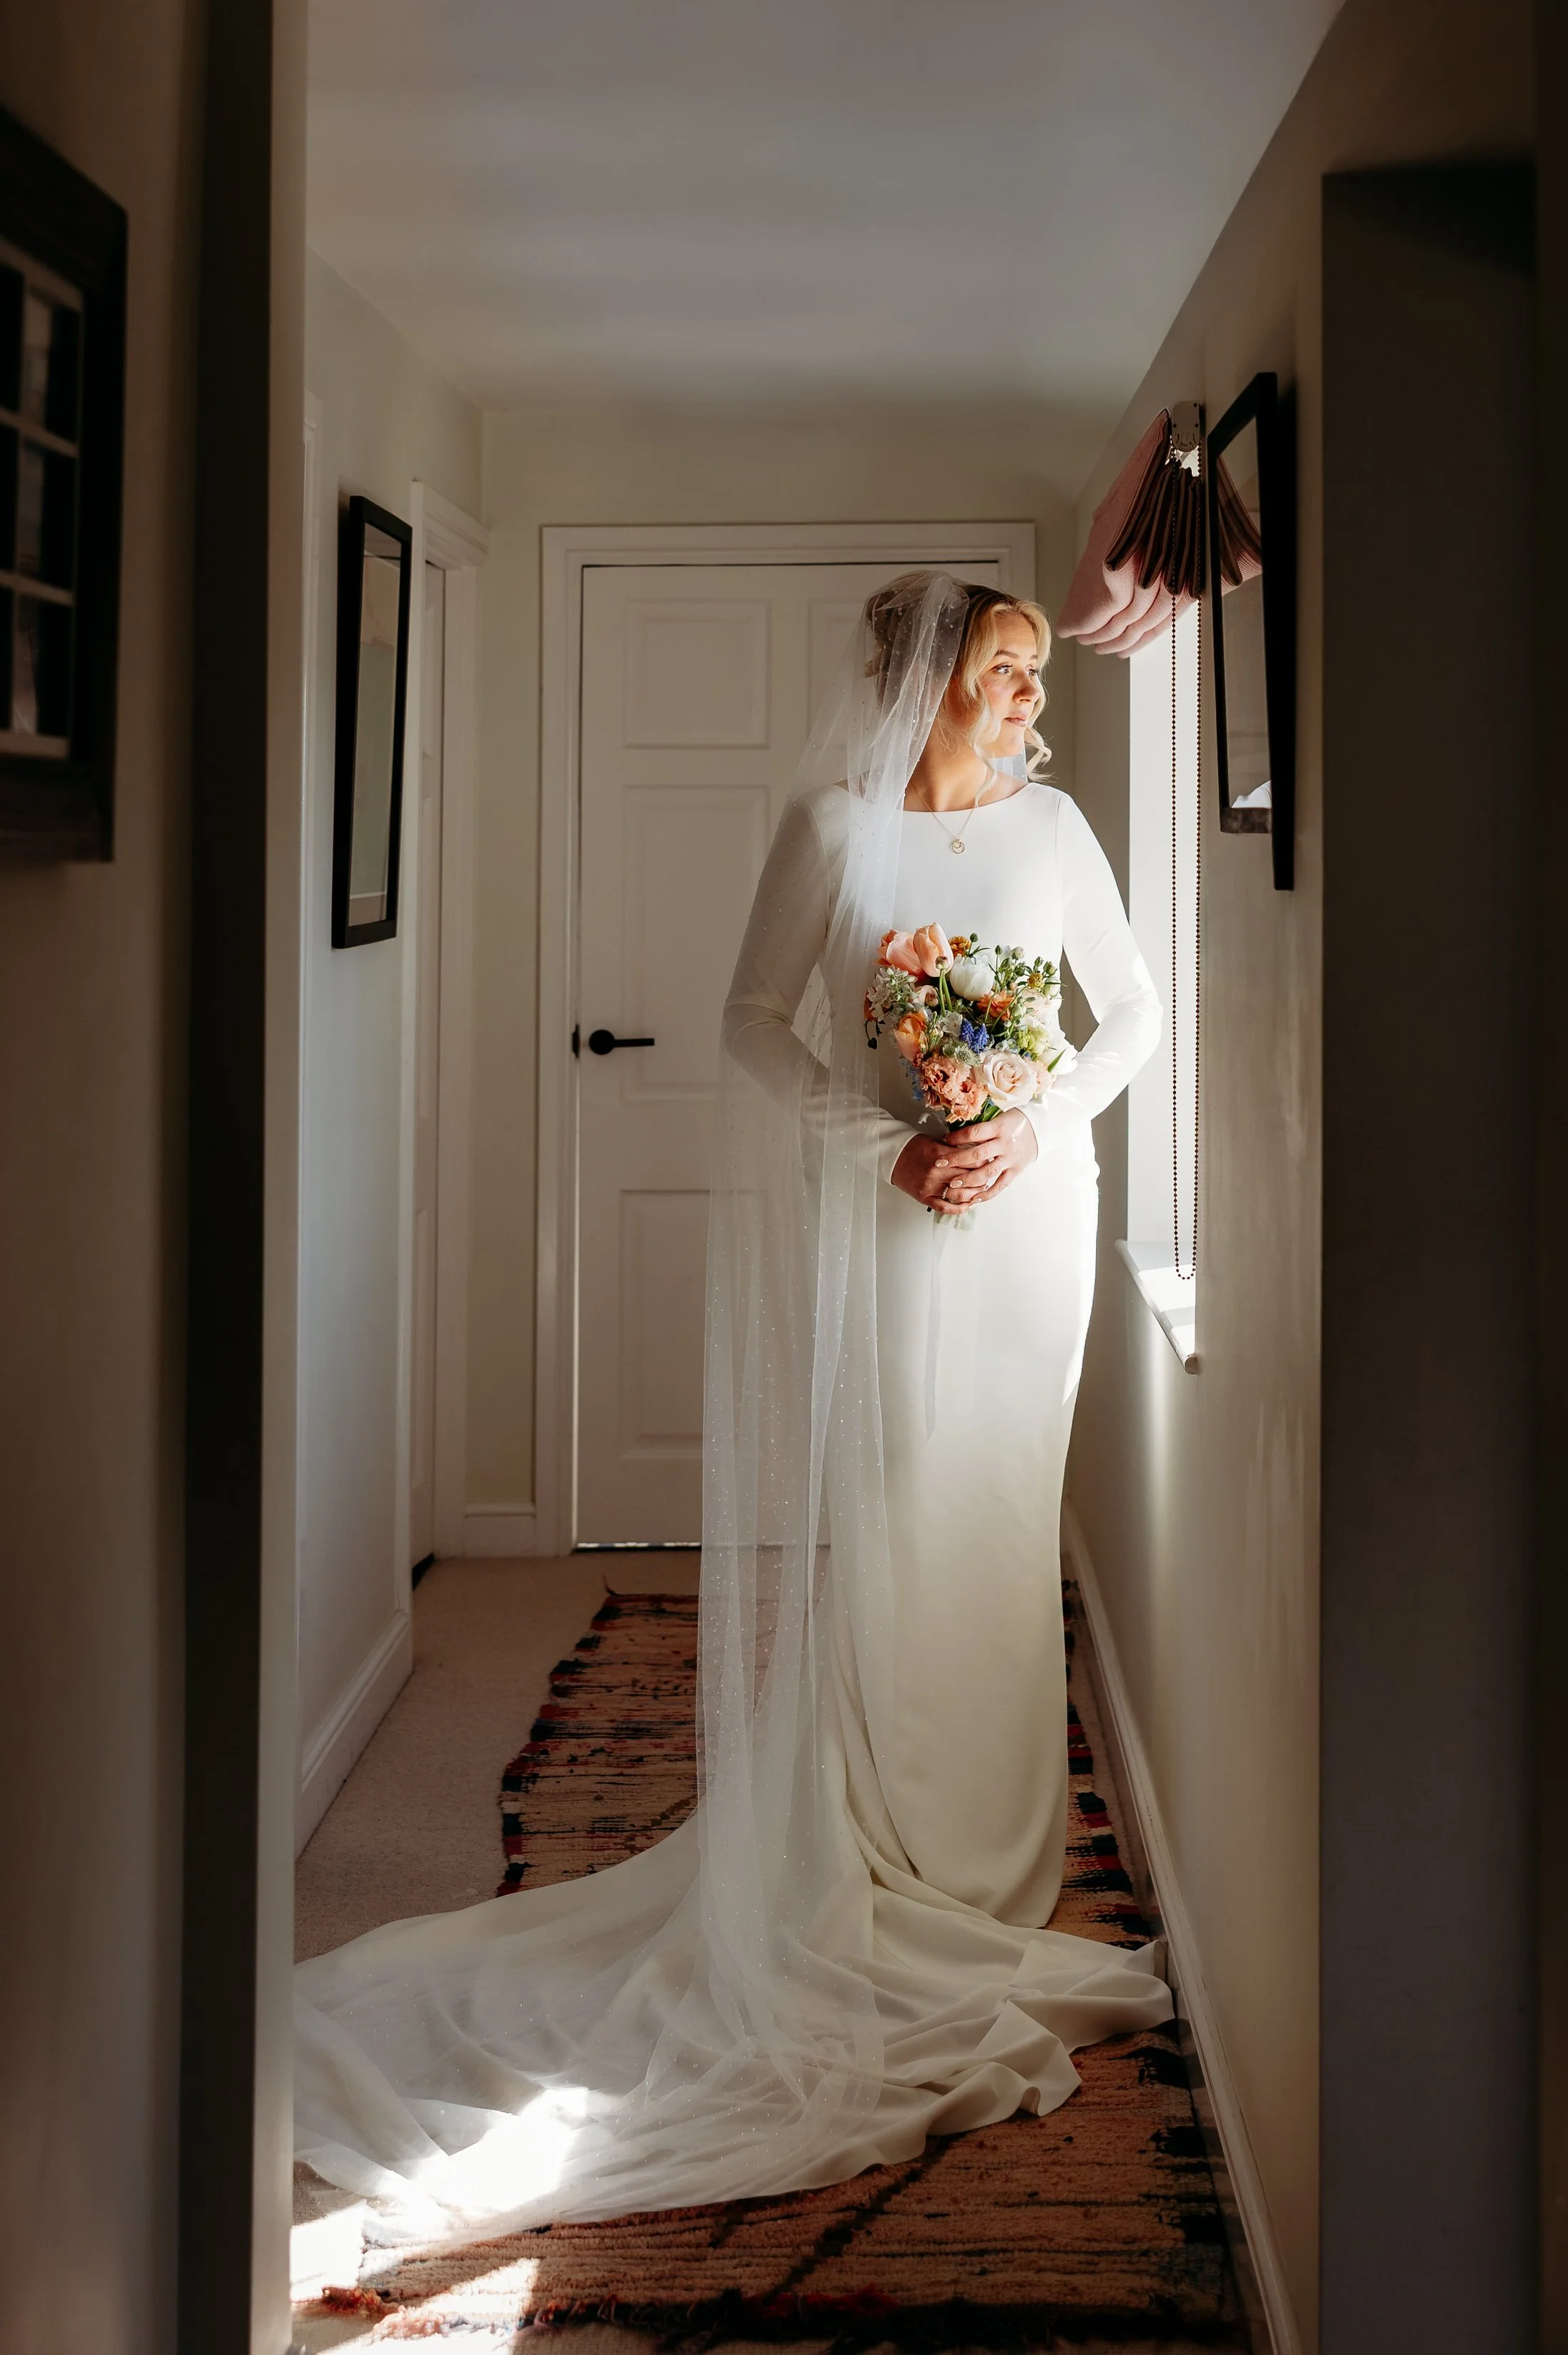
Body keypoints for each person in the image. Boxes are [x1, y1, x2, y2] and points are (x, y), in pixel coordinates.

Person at [294, 572, 1169, 2243]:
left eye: (1030, 676)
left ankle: (1004, 1865)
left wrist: (1029, 1115)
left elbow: (1125, 1012)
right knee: (906, 1510)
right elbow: (752, 1028)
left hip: (1033, 1225)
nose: (1023, 703)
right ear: (919, 679)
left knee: (1000, 1521)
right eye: (999, 673)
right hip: (898, 1226)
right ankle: (890, 1848)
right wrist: (885, 1130)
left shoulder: (1056, 831)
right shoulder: (833, 831)